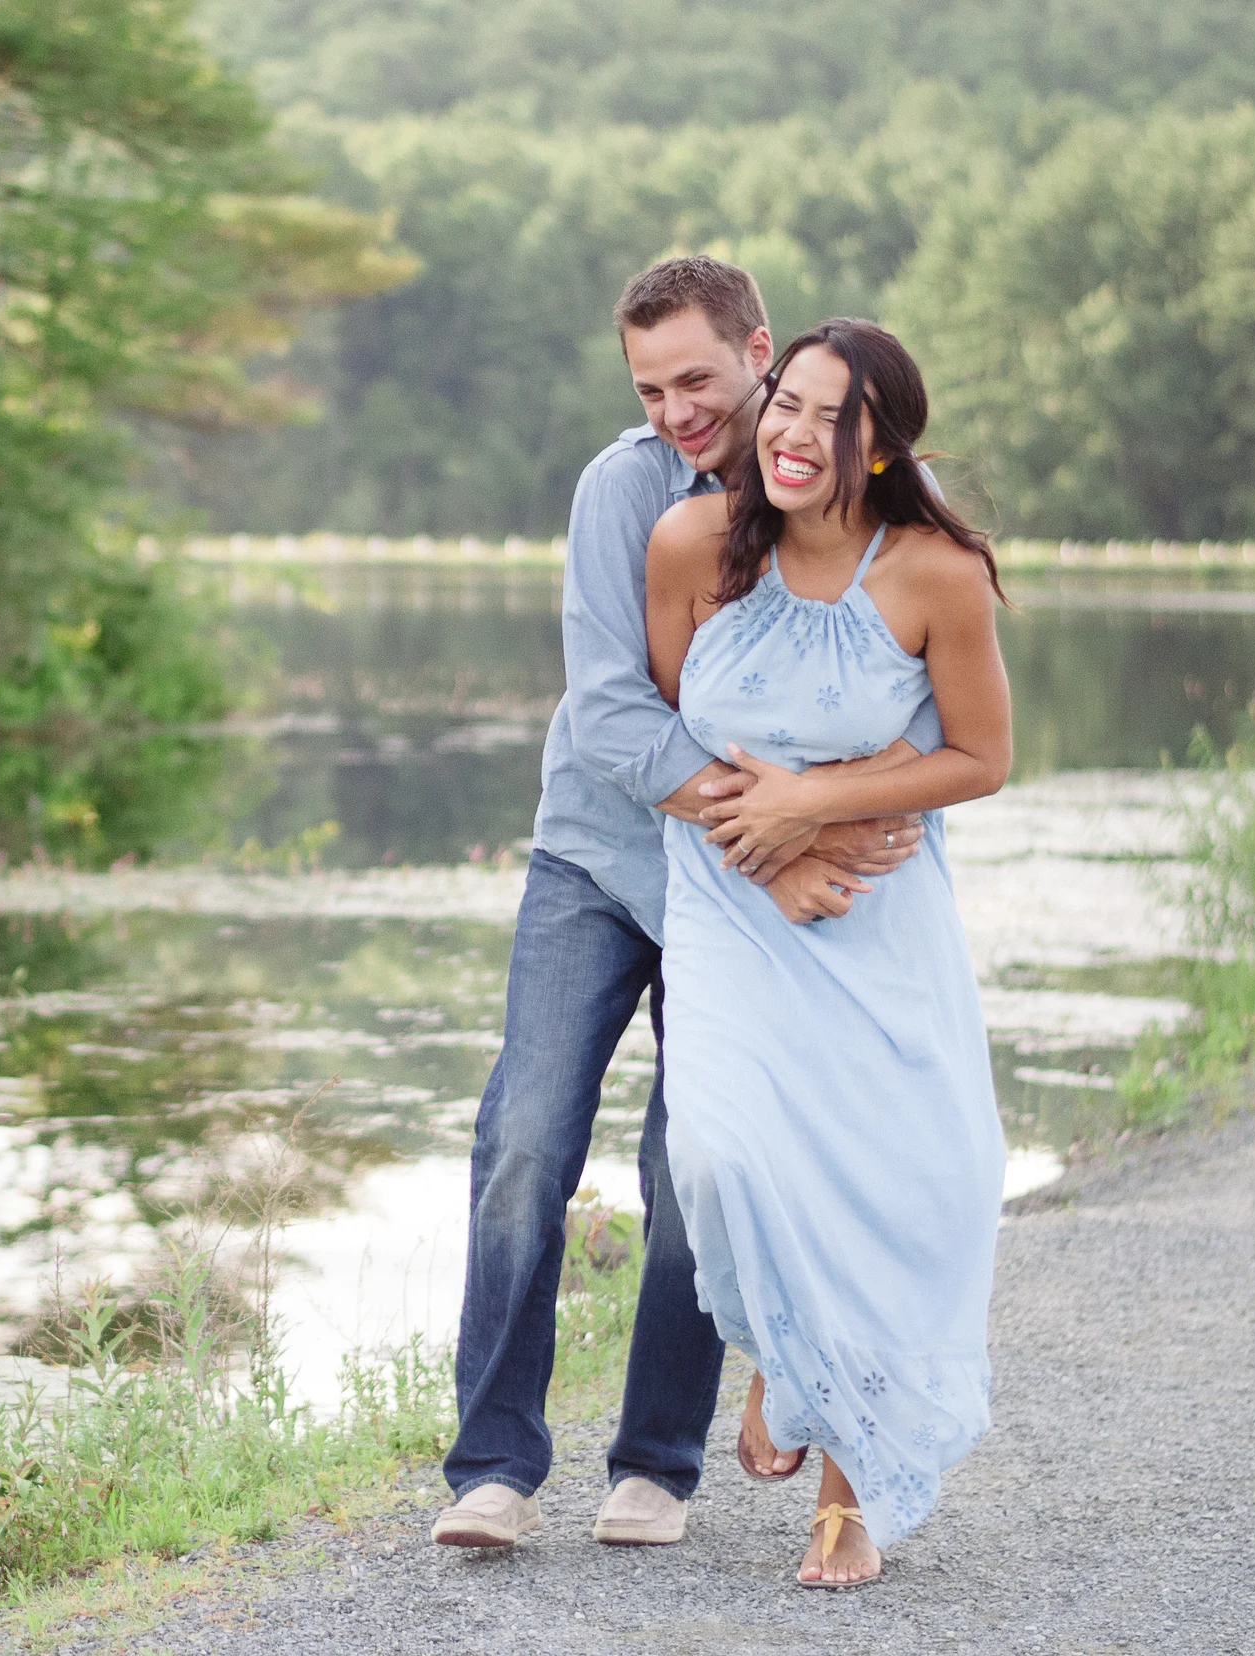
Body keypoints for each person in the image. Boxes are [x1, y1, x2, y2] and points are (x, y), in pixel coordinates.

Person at [433, 260, 931, 1551]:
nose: (675, 412)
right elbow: (610, 713)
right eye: (649, 389)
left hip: (733, 897)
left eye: (696, 380)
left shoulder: (839, 496)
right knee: (525, 1143)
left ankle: (655, 1462)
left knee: (692, 1165)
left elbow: (890, 694)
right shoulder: (624, 491)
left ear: (760, 351)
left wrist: (830, 815)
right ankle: (493, 1467)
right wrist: (775, 835)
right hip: (598, 864)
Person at [643, 317, 1012, 1587]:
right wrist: (775, 830)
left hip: (876, 918)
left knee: (892, 1187)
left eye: (831, 416)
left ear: (882, 445)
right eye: (785, 405)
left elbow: (982, 756)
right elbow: (672, 747)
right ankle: (784, 1354)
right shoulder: (691, 545)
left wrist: (819, 799)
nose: (794, 434)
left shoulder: (934, 575)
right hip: (728, 909)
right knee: (720, 1155)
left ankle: (848, 1501)